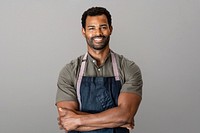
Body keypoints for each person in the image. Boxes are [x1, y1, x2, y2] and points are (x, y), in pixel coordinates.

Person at [56, 7, 143, 133]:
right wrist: (117, 120)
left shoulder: (128, 68)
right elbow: (66, 121)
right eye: (92, 28)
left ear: (110, 29)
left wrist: (78, 120)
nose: (98, 33)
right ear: (83, 31)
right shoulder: (69, 71)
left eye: (103, 27)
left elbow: (126, 115)